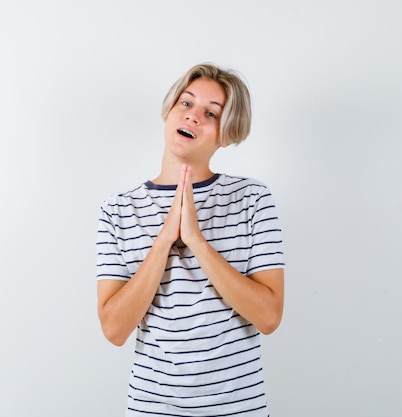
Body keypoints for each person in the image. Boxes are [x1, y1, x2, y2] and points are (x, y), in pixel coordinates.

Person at [95, 62, 285, 416]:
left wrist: (196, 241)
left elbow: (269, 317)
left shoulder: (252, 199)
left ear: (227, 134)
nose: (193, 116)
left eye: (210, 113)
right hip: (152, 408)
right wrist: (165, 240)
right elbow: (115, 329)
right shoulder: (118, 210)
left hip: (238, 409)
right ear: (168, 111)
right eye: (186, 103)